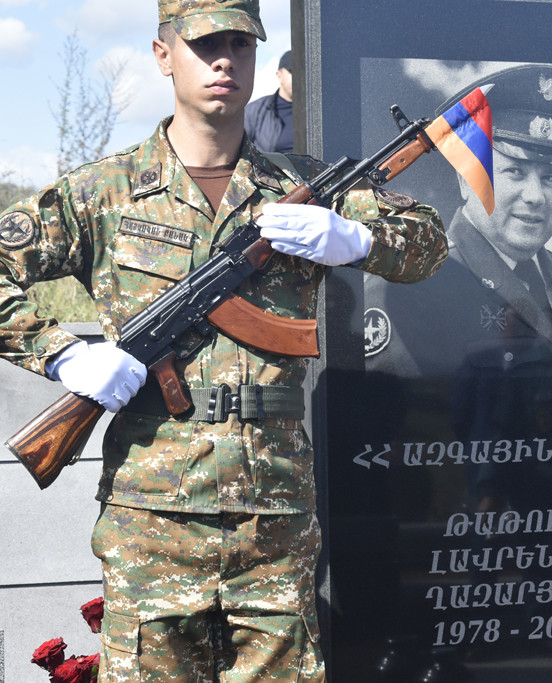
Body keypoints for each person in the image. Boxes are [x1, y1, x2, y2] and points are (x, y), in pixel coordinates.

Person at [0, 1, 447, 681]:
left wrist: (357, 239)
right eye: (205, 44)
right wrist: (62, 352)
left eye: (240, 45)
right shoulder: (103, 193)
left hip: (274, 524)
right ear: (161, 55)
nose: (223, 62)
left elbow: (429, 244)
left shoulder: (300, 191)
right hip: (152, 524)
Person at [363, 63, 552, 378]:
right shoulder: (409, 280)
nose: (534, 196)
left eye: (550, 177)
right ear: (467, 180)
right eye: (515, 172)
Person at [244, 49, 293, 152]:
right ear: (279, 75)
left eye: (303, 71)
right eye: (292, 71)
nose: (299, 77)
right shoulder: (255, 111)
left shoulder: (321, 112)